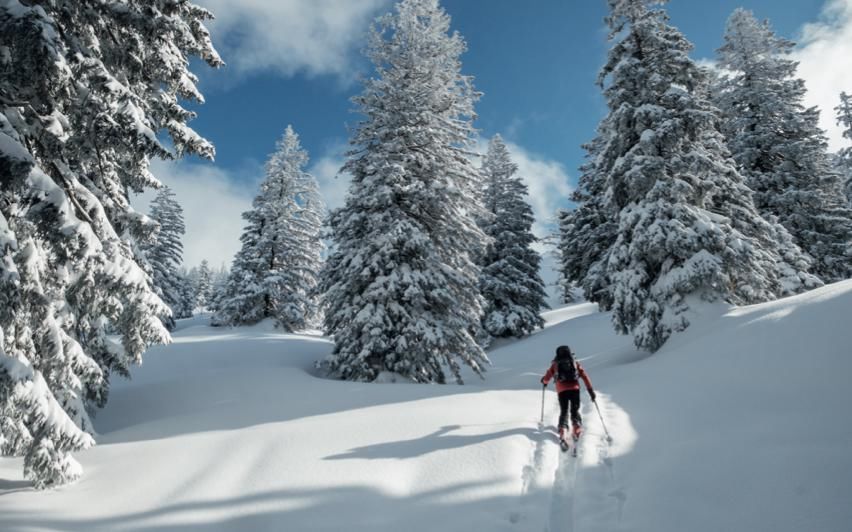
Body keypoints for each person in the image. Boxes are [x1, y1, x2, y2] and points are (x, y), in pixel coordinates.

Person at [540, 345, 596, 442]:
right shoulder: (574, 362)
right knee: (574, 409)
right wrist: (591, 391)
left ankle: (562, 429)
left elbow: (547, 377)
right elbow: (584, 376)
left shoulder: (555, 364)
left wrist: (544, 382)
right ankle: (576, 427)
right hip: (575, 389)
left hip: (562, 390)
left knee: (564, 410)